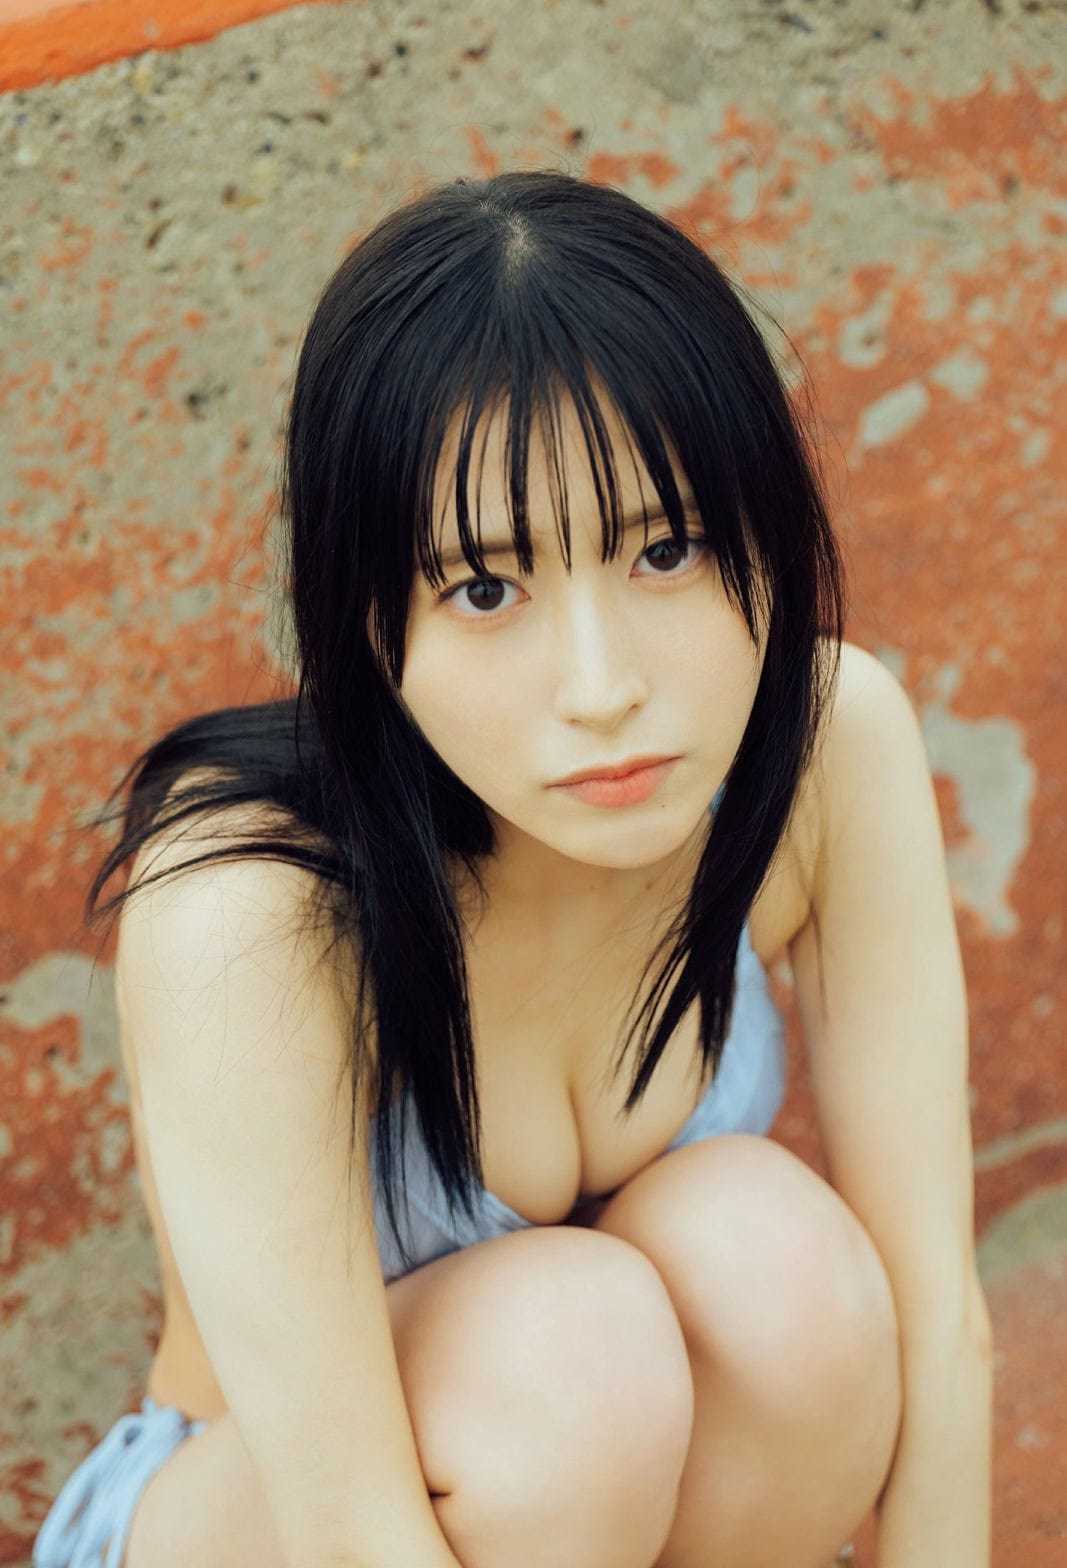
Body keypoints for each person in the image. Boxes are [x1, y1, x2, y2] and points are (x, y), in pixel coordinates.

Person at [33, 168, 987, 1568]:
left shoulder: (827, 748)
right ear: (368, 619)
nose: (602, 690)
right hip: (300, 1524)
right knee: (571, 1361)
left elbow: (941, 1323)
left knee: (790, 1282)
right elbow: (352, 1530)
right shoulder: (252, 908)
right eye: (485, 589)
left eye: (667, 548)